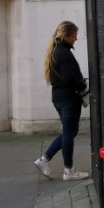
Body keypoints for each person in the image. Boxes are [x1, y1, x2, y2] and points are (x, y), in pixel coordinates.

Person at [34, 21, 90, 181]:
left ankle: (44, 160)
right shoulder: (64, 53)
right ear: (65, 36)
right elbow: (69, 78)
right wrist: (82, 84)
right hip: (68, 98)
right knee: (68, 133)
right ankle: (69, 170)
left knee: (70, 132)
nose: (76, 39)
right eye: (74, 36)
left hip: (59, 98)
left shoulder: (56, 51)